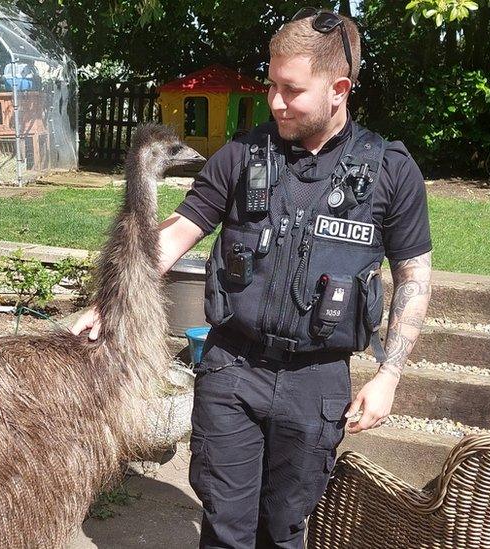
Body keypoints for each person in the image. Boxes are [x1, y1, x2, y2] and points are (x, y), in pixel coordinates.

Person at [72, 8, 432, 548]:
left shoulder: (391, 172)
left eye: (292, 89)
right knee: (225, 527)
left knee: (285, 530)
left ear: (339, 89)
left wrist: (389, 375)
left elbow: (413, 277)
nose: (275, 101)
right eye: (271, 85)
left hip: (316, 382)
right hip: (233, 368)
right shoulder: (242, 156)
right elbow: (176, 233)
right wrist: (111, 301)